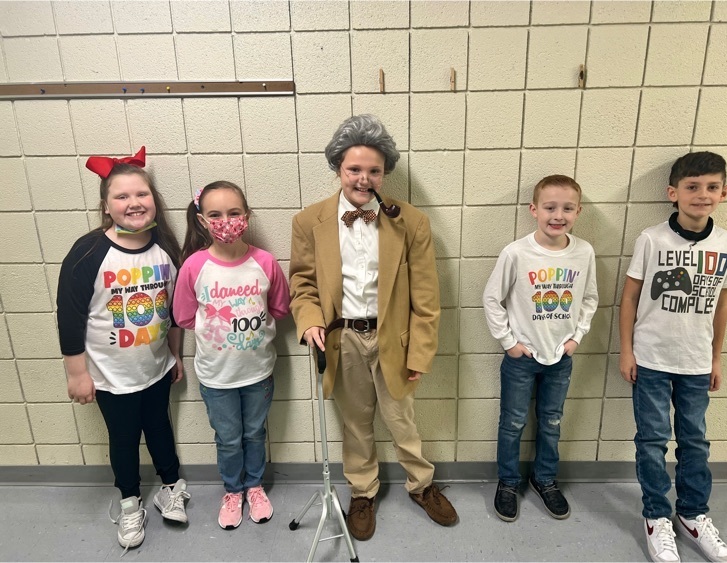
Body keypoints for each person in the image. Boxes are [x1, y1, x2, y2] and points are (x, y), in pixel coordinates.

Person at [289, 114, 458, 541]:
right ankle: (362, 492)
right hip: (341, 337)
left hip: (393, 339)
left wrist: (420, 352)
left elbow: (426, 297)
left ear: (385, 173)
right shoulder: (309, 222)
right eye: (354, 169)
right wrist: (309, 321)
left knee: (402, 419)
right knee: (355, 422)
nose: (363, 179)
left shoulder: (411, 222)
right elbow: (302, 284)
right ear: (337, 167)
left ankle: (421, 484)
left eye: (374, 171)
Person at [56, 147, 190, 554]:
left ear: (154, 200)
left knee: (161, 428)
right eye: (122, 196)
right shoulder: (88, 252)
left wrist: (175, 355)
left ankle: (171, 487)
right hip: (110, 378)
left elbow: (173, 312)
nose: (134, 202)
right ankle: (130, 502)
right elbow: (70, 318)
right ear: (106, 205)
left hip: (156, 367)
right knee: (124, 438)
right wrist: (77, 374)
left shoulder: (166, 249)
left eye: (141, 194)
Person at [620, 152, 727, 563]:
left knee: (695, 441)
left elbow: (722, 304)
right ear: (673, 193)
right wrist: (627, 350)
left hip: (696, 363)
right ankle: (656, 516)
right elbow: (630, 298)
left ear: (724, 192)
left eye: (711, 187)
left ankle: (692, 514)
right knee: (652, 440)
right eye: (692, 187)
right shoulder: (652, 239)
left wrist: (716, 358)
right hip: (651, 360)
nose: (702, 195)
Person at [173, 181, 290, 530]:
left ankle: (254, 485)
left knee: (254, 433)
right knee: (227, 439)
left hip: (258, 372)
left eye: (234, 212)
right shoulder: (194, 266)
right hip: (216, 375)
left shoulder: (264, 262)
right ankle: (233, 490)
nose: (226, 221)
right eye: (215, 215)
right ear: (202, 220)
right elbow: (184, 317)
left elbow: (280, 308)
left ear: (247, 216)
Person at [483, 174, 598, 522]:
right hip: (522, 358)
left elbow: (590, 298)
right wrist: (509, 343)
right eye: (550, 207)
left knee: (551, 422)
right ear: (534, 210)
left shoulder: (584, 252)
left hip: (560, 357)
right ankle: (508, 481)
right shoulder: (516, 253)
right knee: (513, 422)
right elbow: (492, 299)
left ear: (578, 211)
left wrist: (577, 338)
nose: (558, 215)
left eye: (567, 208)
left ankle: (544, 478)